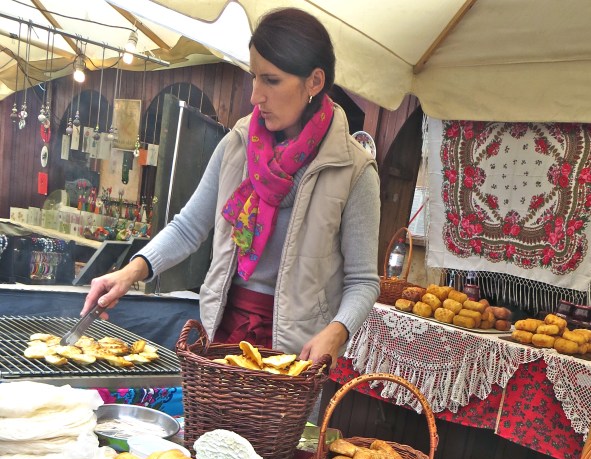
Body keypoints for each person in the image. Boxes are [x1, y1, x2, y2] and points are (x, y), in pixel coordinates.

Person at [81, 7, 381, 367]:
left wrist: (337, 330)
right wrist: (130, 272)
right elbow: (189, 227)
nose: (256, 96)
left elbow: (363, 281)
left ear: (314, 82)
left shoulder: (354, 170)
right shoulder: (238, 143)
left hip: (299, 352)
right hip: (221, 329)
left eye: (271, 80)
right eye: (254, 77)